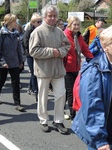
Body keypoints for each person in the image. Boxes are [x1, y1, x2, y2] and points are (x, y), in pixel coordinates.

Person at [29, 5, 70, 133]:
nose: (52, 18)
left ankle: (58, 121)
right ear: (44, 17)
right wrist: (51, 52)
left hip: (58, 70)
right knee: (42, 97)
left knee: (60, 95)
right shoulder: (38, 31)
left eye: (54, 16)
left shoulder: (59, 32)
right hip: (44, 70)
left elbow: (67, 46)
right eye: (49, 16)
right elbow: (33, 51)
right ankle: (43, 120)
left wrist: (60, 51)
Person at [72, 26, 112, 150]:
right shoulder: (95, 71)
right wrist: (100, 140)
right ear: (105, 47)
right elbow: (92, 106)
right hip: (103, 135)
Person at [63, 16, 94, 121]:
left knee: (69, 92)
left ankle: (61, 110)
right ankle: (73, 117)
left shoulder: (78, 36)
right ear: (69, 24)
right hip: (65, 68)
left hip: (76, 67)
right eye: (74, 24)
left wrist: (93, 59)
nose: (76, 26)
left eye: (78, 25)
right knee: (70, 92)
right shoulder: (65, 35)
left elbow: (85, 48)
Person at [0, 14, 25, 111]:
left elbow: (18, 49)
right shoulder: (1, 33)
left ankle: (17, 103)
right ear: (9, 22)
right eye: (15, 21)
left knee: (15, 82)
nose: (17, 23)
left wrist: (21, 61)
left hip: (14, 61)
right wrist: (3, 62)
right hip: (4, 62)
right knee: (1, 81)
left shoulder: (16, 33)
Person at [23, 12, 42, 102]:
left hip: (39, 55)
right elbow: (25, 43)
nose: (40, 23)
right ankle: (36, 91)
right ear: (33, 22)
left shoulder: (41, 30)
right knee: (34, 73)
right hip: (30, 56)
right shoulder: (29, 31)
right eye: (38, 22)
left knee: (37, 73)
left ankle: (31, 86)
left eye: (40, 21)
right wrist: (31, 51)